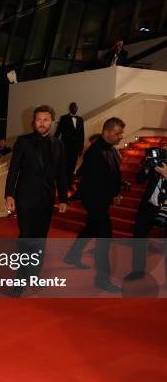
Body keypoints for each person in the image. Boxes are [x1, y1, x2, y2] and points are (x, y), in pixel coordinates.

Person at [63, 118, 125, 293]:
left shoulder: (111, 149)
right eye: (118, 132)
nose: (121, 136)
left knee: (91, 228)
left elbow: (113, 175)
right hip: (95, 201)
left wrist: (116, 193)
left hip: (102, 200)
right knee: (104, 238)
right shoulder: (94, 152)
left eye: (121, 133)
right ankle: (102, 280)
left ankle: (72, 256)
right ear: (107, 131)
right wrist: (111, 195)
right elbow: (94, 183)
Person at [5, 105, 68, 237]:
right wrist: (9, 194)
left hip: (47, 198)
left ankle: (37, 258)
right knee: (26, 235)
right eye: (39, 119)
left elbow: (61, 173)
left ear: (52, 122)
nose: (42, 123)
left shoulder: (59, 144)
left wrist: (63, 198)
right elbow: (14, 169)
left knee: (41, 236)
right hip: (25, 198)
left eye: (46, 120)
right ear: (34, 122)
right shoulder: (23, 141)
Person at [125, 144, 167, 281]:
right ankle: (137, 272)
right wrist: (148, 166)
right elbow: (139, 180)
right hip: (149, 206)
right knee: (139, 237)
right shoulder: (157, 161)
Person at [55, 102, 85, 187]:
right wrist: (54, 143)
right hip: (65, 146)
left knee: (72, 165)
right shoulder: (64, 118)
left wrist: (81, 148)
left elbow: (82, 134)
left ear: (77, 109)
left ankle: (69, 183)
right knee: (64, 165)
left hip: (76, 148)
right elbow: (59, 131)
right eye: (73, 107)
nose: (74, 109)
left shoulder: (80, 119)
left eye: (76, 107)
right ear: (70, 108)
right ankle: (62, 183)